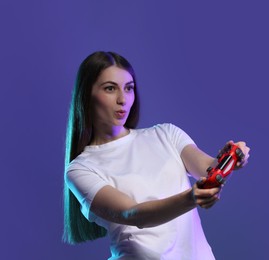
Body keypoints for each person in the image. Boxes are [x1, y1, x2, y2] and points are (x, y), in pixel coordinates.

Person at [63, 51, 250, 260]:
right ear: (87, 94)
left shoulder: (166, 134)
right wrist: (190, 199)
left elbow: (208, 170)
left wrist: (230, 159)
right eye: (110, 88)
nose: (122, 99)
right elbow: (133, 214)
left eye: (129, 88)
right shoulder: (81, 169)